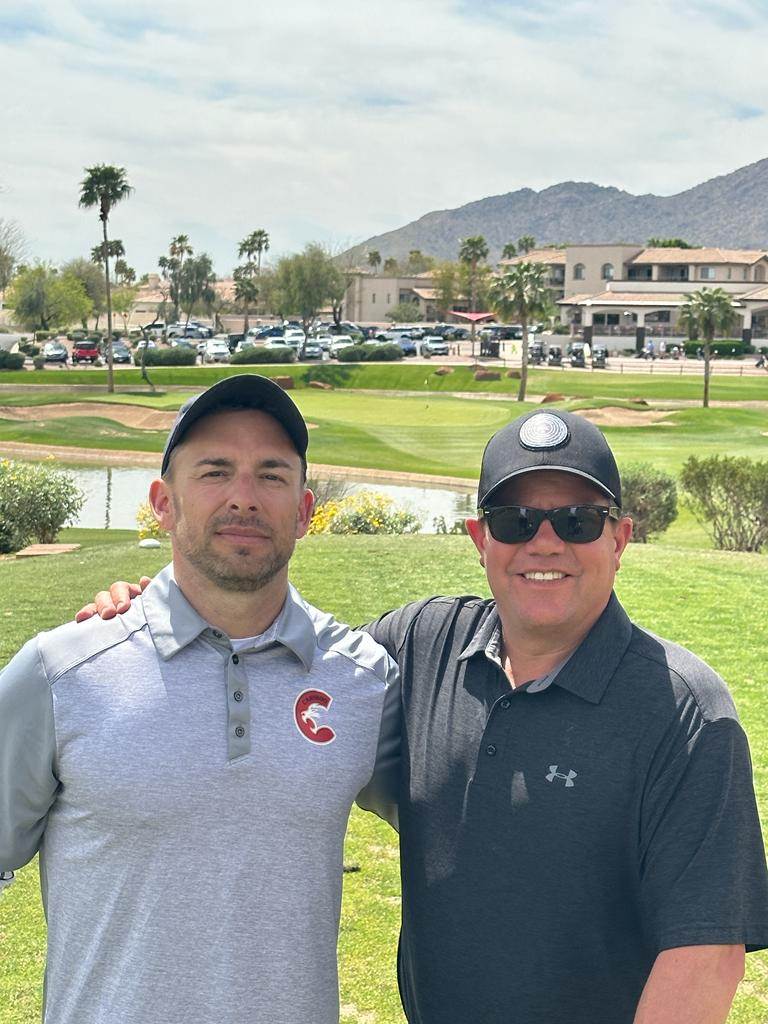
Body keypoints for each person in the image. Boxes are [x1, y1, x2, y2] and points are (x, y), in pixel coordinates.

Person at [77, 409, 768, 1023]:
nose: (545, 543)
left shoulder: (684, 712)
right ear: (478, 539)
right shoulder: (420, 647)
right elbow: (269, 667)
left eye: (578, 521)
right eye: (515, 521)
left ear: (619, 539)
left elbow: (705, 959)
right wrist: (154, 618)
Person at [0, 375, 398, 1024]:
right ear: (164, 503)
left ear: (304, 510)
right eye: (215, 472)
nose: (244, 497)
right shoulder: (62, 670)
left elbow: (462, 835)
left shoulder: (365, 681)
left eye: (272, 475)